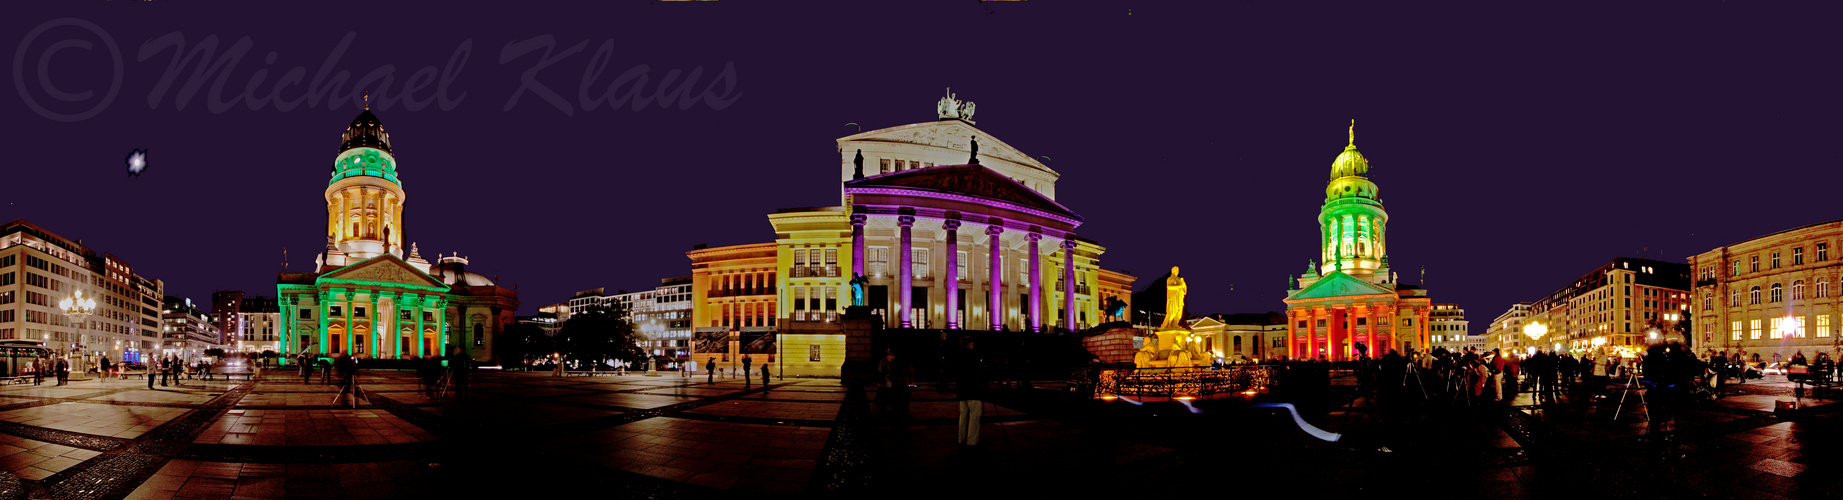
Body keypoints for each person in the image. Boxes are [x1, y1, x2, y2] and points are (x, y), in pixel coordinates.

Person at [952, 337, 987, 450]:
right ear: (970, 344)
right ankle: (972, 441)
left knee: (963, 417)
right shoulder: (974, 356)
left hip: (962, 390)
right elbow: (979, 372)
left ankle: (961, 438)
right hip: (974, 390)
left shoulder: (957, 356)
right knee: (974, 417)